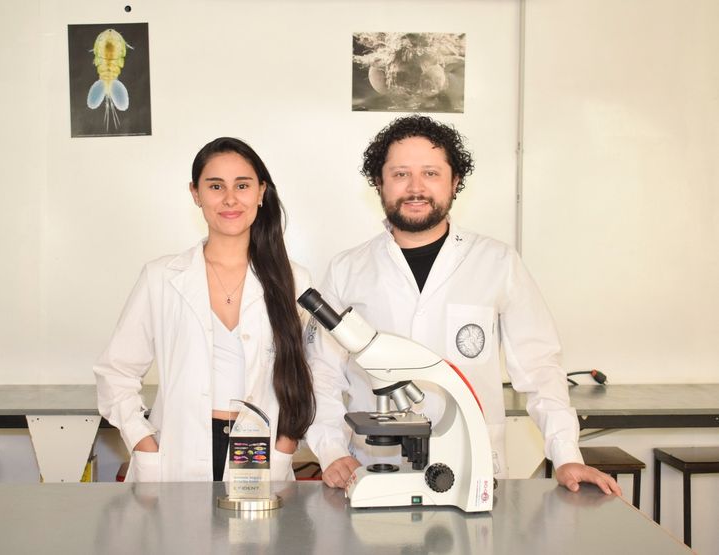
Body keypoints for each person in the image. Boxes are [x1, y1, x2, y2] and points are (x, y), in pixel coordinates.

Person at [304, 115, 621, 496]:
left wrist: (568, 455)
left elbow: (540, 369)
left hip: (474, 468)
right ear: (379, 182)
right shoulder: (346, 269)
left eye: (431, 174)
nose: (416, 187)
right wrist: (332, 451)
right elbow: (321, 374)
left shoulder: (498, 263)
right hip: (372, 468)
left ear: (455, 182)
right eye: (401, 173)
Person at [94, 137, 316, 482]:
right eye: (215, 186)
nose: (230, 198)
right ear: (195, 194)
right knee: (179, 537)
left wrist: (286, 445)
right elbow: (115, 371)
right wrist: (142, 441)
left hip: (260, 449)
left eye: (242, 185)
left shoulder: (294, 280)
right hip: (176, 450)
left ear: (261, 192)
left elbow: (309, 374)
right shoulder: (161, 278)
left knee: (255, 536)